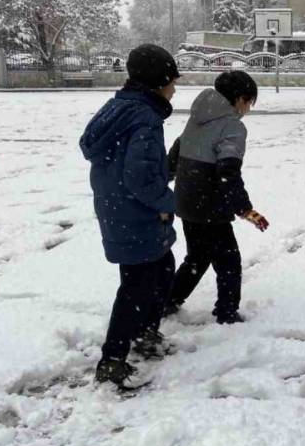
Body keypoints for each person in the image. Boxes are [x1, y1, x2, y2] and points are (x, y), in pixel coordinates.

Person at [80, 44, 181, 388]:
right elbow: (140, 177)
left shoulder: (119, 108)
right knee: (136, 286)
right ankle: (112, 360)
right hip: (137, 212)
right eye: (172, 81)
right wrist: (168, 202)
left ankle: (144, 332)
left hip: (117, 209)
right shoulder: (145, 117)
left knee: (162, 269)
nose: (175, 88)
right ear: (159, 81)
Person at [166, 71, 268, 324]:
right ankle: (226, 312)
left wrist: (163, 180)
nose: (248, 110)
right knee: (229, 261)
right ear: (240, 99)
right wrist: (244, 209)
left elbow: (175, 155)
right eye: (249, 103)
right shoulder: (232, 126)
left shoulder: (197, 118)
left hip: (187, 202)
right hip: (211, 205)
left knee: (197, 257)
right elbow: (227, 171)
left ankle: (168, 300)